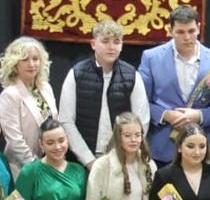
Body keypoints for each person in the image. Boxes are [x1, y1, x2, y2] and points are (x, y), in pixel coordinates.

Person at [138, 5, 210, 165]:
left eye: (191, 31)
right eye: (180, 32)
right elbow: (140, 102)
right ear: (170, 30)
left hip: (202, 149)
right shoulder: (151, 58)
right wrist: (165, 114)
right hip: (162, 147)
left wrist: (200, 116)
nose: (187, 37)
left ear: (199, 28)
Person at [58, 19, 149, 167]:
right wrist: (88, 160)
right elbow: (66, 120)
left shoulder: (132, 75)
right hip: (82, 160)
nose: (111, 47)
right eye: (105, 41)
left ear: (122, 45)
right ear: (93, 44)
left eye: (116, 42)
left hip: (122, 159)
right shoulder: (76, 74)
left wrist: (124, 154)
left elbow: (141, 121)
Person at [86, 113, 157, 200]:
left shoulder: (148, 165)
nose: (134, 140)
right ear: (119, 137)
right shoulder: (102, 165)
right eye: (128, 135)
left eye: (137, 135)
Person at [0, 36, 59, 177]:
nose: (32, 64)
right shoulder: (10, 95)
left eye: (35, 59)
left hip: (49, 164)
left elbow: (55, 124)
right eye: (25, 59)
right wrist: (35, 166)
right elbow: (14, 140)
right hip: (23, 169)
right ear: (14, 64)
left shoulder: (46, 88)